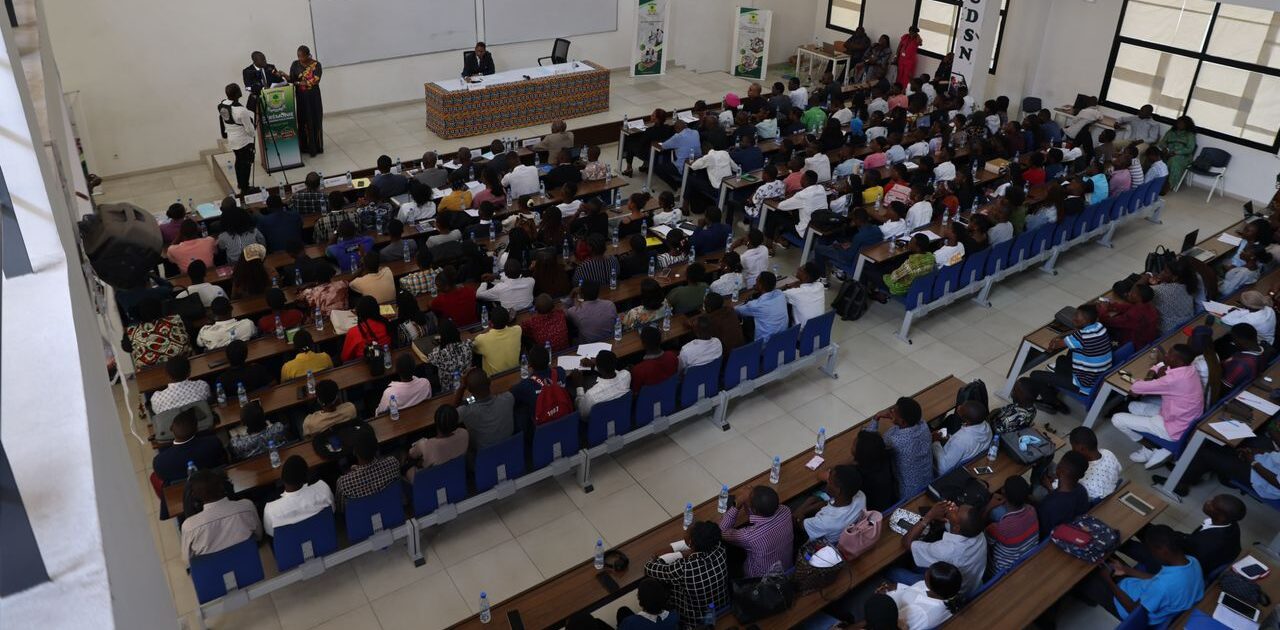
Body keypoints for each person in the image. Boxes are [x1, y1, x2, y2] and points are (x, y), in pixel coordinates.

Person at [1076, 525, 1204, 626]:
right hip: (1141, 590)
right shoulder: (1191, 561)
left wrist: (1109, 581)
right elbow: (1158, 580)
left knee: (1082, 577)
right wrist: (1127, 570)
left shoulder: (1162, 587)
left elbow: (1134, 611)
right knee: (1106, 560)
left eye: (1152, 550)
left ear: (1163, 551)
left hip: (1126, 606)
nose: (1151, 553)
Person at [1114, 344, 1204, 469]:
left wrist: (1153, 370)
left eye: (1169, 355)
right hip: (1181, 417)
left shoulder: (1172, 380)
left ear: (1178, 361)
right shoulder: (1190, 369)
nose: (1165, 355)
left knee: (1117, 419)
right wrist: (1158, 367)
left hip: (1172, 428)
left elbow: (1136, 389)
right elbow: (1164, 370)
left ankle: (1152, 447)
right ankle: (1153, 445)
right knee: (1133, 406)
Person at [1157, 415, 1280, 499]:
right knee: (1223, 445)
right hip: (1265, 461)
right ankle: (1188, 471)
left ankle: (1180, 484)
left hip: (1262, 479)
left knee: (1206, 454)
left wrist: (1253, 462)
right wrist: (1255, 451)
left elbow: (1277, 482)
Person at [1122, 494, 1245, 578]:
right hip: (1191, 553)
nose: (1208, 501)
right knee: (1146, 528)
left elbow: (1179, 553)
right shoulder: (1232, 525)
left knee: (1125, 543)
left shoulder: (1206, 544)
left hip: (1175, 567)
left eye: (1212, 504)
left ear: (1221, 516)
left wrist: (1173, 538)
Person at [1027, 304, 1113, 414]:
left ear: (1086, 321)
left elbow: (1055, 345)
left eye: (1077, 318)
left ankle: (1052, 403)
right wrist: (1068, 334)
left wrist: (1057, 338)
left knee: (1035, 375)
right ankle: (1055, 386)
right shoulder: (1100, 327)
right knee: (1061, 360)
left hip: (1084, 385)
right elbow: (1075, 333)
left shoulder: (1081, 336)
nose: (1073, 319)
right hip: (1096, 378)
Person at [643, 520, 728, 630]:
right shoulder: (720, 548)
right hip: (722, 608)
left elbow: (649, 568)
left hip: (698, 621)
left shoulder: (684, 568)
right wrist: (683, 550)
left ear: (691, 542)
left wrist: (677, 554)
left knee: (667, 585)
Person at [895, 501, 988, 595]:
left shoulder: (946, 550)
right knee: (915, 560)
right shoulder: (978, 534)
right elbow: (953, 527)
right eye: (958, 507)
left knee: (893, 571)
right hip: (971, 585)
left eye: (957, 511)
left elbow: (906, 543)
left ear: (957, 528)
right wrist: (949, 515)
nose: (954, 507)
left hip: (948, 592)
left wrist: (928, 517)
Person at [180, 469, 262, 563]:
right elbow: (258, 536)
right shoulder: (246, 506)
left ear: (195, 496)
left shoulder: (189, 526)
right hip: (249, 564)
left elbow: (187, 560)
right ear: (222, 486)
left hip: (214, 574)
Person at [719, 485, 793, 579]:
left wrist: (737, 504)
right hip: (786, 568)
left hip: (759, 580)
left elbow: (721, 531)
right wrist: (750, 500)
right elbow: (761, 511)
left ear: (753, 509)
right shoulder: (785, 510)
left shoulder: (750, 536)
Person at [880, 562, 964, 630]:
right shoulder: (948, 591)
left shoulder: (918, 612)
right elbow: (918, 590)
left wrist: (883, 598)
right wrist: (898, 587)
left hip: (891, 607)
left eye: (927, 575)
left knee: (892, 572)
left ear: (932, 586)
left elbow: (891, 623)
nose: (925, 573)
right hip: (903, 595)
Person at [262, 456, 334, 536]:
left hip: (291, 546)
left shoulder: (270, 510)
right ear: (307, 477)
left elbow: (271, 533)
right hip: (323, 537)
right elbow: (332, 511)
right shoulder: (323, 488)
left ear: (281, 479)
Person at [795, 464, 867, 544]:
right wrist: (808, 507)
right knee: (812, 499)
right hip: (840, 528)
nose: (827, 481)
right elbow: (829, 504)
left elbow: (800, 524)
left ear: (838, 491)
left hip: (820, 542)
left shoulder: (827, 522)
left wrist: (800, 510)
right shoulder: (861, 496)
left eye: (829, 480)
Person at [877, 397, 934, 498]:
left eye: (894, 411)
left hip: (908, 494)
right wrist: (895, 416)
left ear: (903, 422)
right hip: (929, 480)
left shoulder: (894, 440)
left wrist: (876, 418)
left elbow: (869, 441)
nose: (891, 411)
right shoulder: (923, 425)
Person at [152, 410, 227, 483]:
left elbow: (165, 481)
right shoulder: (213, 442)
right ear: (197, 429)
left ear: (171, 429)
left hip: (182, 492)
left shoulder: (159, 462)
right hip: (214, 482)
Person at [983, 476, 1038, 573]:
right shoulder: (1032, 510)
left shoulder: (1001, 527)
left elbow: (983, 539)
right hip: (1025, 560)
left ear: (1003, 492)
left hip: (1002, 570)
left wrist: (988, 507)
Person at [335, 429, 399, 508]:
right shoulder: (393, 463)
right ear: (377, 448)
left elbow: (341, 509)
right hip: (390, 508)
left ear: (354, 452)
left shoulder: (343, 484)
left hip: (360, 517)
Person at [456, 369, 515, 450]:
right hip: (510, 449)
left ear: (469, 390)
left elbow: (449, 415)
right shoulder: (508, 398)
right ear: (489, 381)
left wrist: (461, 387)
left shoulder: (465, 412)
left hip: (483, 456)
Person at [1036, 451, 1091, 536]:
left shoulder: (1047, 504)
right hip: (1072, 532)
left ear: (1060, 470)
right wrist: (1051, 489)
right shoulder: (1082, 490)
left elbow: (1042, 531)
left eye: (1059, 463)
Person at [406, 405, 470, 478]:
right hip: (455, 472)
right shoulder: (464, 433)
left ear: (436, 422)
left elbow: (411, 454)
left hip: (433, 477)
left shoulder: (425, 445)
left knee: (408, 467)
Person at [933, 401, 993, 473]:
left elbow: (943, 468)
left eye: (961, 409)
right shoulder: (987, 426)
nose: (959, 407)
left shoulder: (960, 440)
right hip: (968, 456)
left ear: (967, 421)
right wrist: (950, 438)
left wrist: (935, 442)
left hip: (947, 471)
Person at [218, 84, 257, 193]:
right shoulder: (241, 110)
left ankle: (241, 184)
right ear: (237, 93)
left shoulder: (222, 105)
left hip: (232, 139)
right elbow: (249, 129)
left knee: (239, 161)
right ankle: (246, 187)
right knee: (246, 164)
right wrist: (253, 133)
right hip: (243, 141)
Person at [874, 234, 935, 301]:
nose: (909, 243)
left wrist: (885, 275)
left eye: (911, 242)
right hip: (914, 284)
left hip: (900, 289)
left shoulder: (910, 264)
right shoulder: (931, 258)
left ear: (918, 248)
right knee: (890, 266)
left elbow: (892, 278)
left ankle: (873, 294)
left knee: (870, 270)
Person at [1068, 426, 1123, 502]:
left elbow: (1063, 489)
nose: (1072, 450)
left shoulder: (1081, 473)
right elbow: (1119, 469)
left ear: (1081, 449)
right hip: (1108, 494)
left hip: (1086, 502)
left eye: (1073, 447)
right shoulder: (1108, 453)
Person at [1098, 284, 1160, 349]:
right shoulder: (1150, 307)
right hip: (1146, 340)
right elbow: (1130, 307)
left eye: (1132, 292)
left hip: (1134, 345)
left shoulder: (1133, 315)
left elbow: (1107, 321)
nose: (1129, 293)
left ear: (1138, 297)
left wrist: (1103, 310)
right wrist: (1111, 306)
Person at [288, 45, 323, 157]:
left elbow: (315, 81)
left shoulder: (316, 65)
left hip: (313, 97)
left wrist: (299, 83)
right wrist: (284, 76)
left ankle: (316, 147)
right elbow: (292, 79)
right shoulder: (295, 64)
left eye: (302, 56)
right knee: (303, 120)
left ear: (308, 55)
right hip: (301, 97)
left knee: (314, 119)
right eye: (298, 56)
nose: (300, 59)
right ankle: (304, 147)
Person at [575, 350, 632, 417]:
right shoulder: (626, 376)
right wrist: (594, 366)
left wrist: (579, 386)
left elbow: (582, 414)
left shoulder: (591, 395)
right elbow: (615, 371)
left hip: (600, 423)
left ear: (599, 367)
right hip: (622, 416)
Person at [735, 271, 789, 342]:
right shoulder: (780, 294)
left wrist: (748, 298)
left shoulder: (757, 305)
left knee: (744, 319)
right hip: (781, 337)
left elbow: (737, 310)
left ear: (760, 286)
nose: (755, 283)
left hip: (765, 343)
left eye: (756, 281)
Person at [340, 296, 392, 362]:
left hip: (363, 364)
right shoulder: (386, 324)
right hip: (385, 359)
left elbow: (344, 358)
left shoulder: (353, 332)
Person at [473, 306, 522, 375]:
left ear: (490, 323)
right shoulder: (518, 330)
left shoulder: (481, 339)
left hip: (494, 378)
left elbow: (473, 347)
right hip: (514, 372)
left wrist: (485, 330)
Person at [427, 320, 475, 390]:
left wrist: (440, 345)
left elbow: (429, 358)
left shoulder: (437, 354)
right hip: (467, 385)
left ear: (441, 336)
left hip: (447, 389)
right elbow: (471, 341)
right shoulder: (468, 346)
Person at [783, 262, 826, 328]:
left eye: (801, 270)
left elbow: (779, 296)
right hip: (818, 330)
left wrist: (788, 287)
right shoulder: (820, 286)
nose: (798, 268)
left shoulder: (794, 293)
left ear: (806, 276)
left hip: (799, 333)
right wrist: (800, 283)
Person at [1157, 115, 1196, 187]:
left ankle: (1169, 184)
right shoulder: (1171, 132)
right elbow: (1162, 142)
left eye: (1182, 123)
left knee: (1173, 160)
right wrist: (1165, 148)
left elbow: (1190, 149)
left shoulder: (1190, 135)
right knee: (1156, 157)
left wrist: (1176, 152)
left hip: (1182, 155)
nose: (1179, 125)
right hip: (1168, 151)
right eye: (1178, 123)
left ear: (1187, 125)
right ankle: (1157, 181)